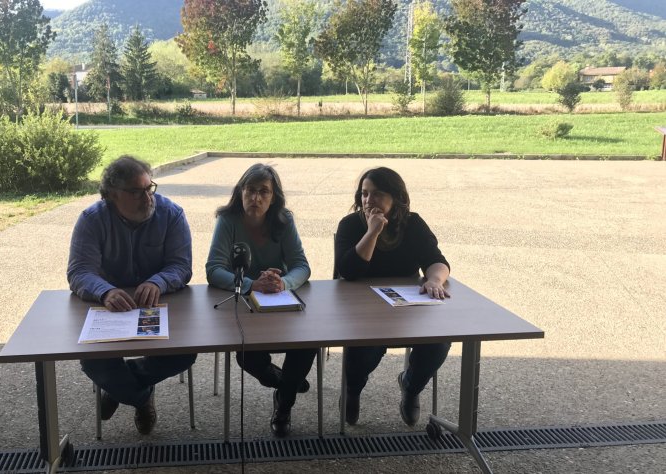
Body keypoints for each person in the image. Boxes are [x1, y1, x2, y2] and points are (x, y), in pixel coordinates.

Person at [67, 155, 195, 435]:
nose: (147, 198)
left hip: (160, 304)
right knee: (93, 361)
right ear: (112, 195)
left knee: (184, 354)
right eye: (136, 192)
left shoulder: (171, 214)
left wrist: (159, 281)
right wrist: (104, 290)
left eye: (150, 188)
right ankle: (141, 397)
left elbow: (181, 265)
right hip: (111, 310)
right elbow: (79, 271)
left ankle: (119, 388)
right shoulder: (92, 219)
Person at [335, 167, 451, 427]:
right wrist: (372, 232)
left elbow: (436, 260)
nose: (368, 200)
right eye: (364, 194)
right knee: (364, 347)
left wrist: (434, 279)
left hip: (405, 307)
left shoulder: (413, 223)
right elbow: (348, 271)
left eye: (377, 194)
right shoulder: (351, 225)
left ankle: (410, 387)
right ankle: (353, 389)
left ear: (396, 198)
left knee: (439, 342)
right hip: (362, 309)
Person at [206, 163, 315, 437]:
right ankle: (284, 381)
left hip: (278, 301)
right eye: (250, 190)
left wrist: (282, 282)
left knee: (308, 343)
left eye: (263, 192)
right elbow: (214, 269)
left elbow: (301, 266)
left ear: (273, 197)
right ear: (240, 192)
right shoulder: (228, 221)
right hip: (242, 304)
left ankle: (284, 404)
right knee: (247, 354)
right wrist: (251, 285)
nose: (255, 198)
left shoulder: (283, 220)